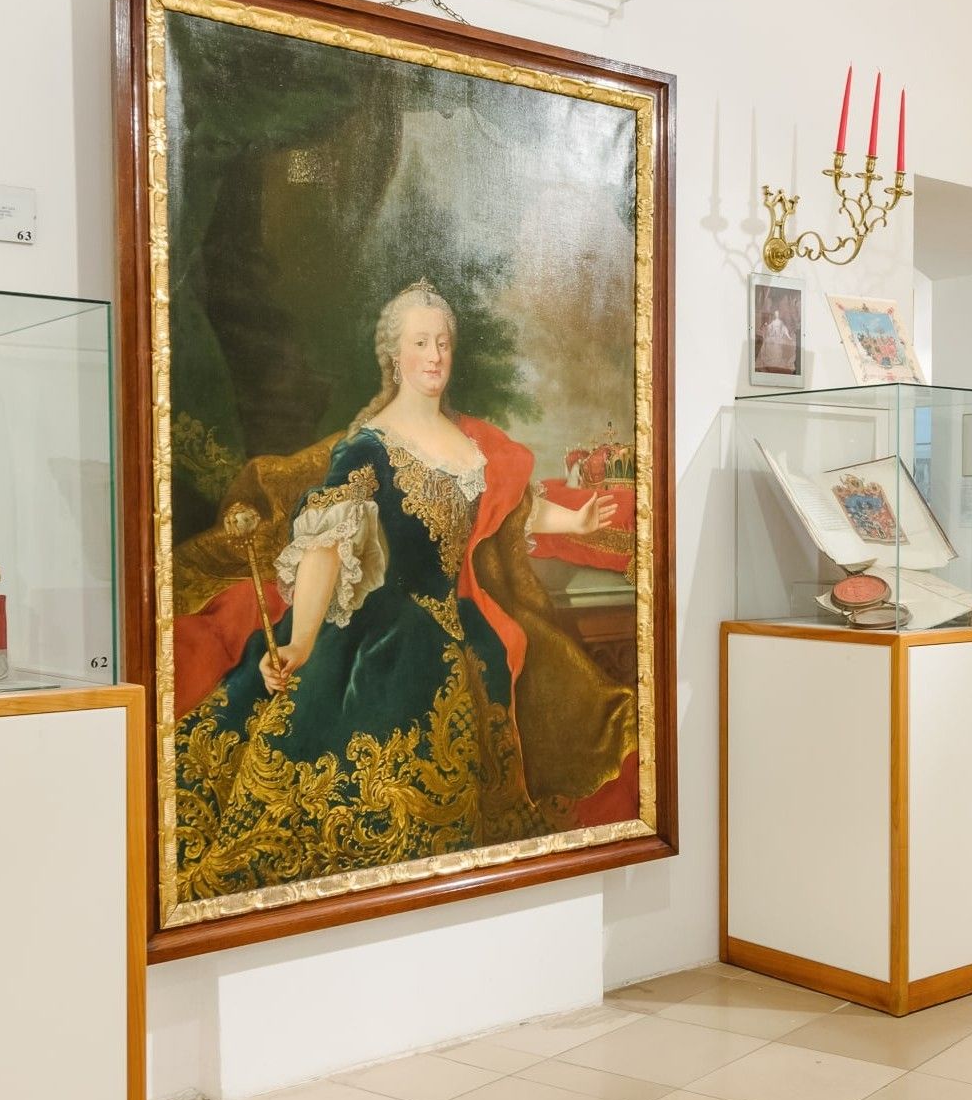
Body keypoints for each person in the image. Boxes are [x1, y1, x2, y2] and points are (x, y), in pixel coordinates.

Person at [172, 281, 637, 899]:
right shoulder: (369, 446)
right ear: (395, 355)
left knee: (482, 668)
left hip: (453, 622)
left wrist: (574, 522)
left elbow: (510, 509)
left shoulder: (470, 443)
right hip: (376, 635)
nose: (435, 356)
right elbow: (326, 546)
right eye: (421, 343)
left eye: (443, 343)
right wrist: (302, 641)